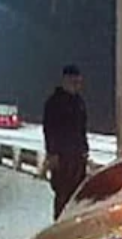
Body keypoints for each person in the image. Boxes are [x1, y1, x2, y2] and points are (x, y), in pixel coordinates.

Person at [43, 65, 89, 220]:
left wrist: (84, 149)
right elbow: (49, 129)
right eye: (73, 81)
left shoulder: (79, 102)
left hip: (77, 156)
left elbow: (82, 129)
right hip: (61, 158)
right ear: (65, 81)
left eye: (78, 82)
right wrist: (52, 153)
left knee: (77, 196)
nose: (76, 85)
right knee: (62, 195)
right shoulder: (54, 103)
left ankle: (73, 227)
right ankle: (59, 228)